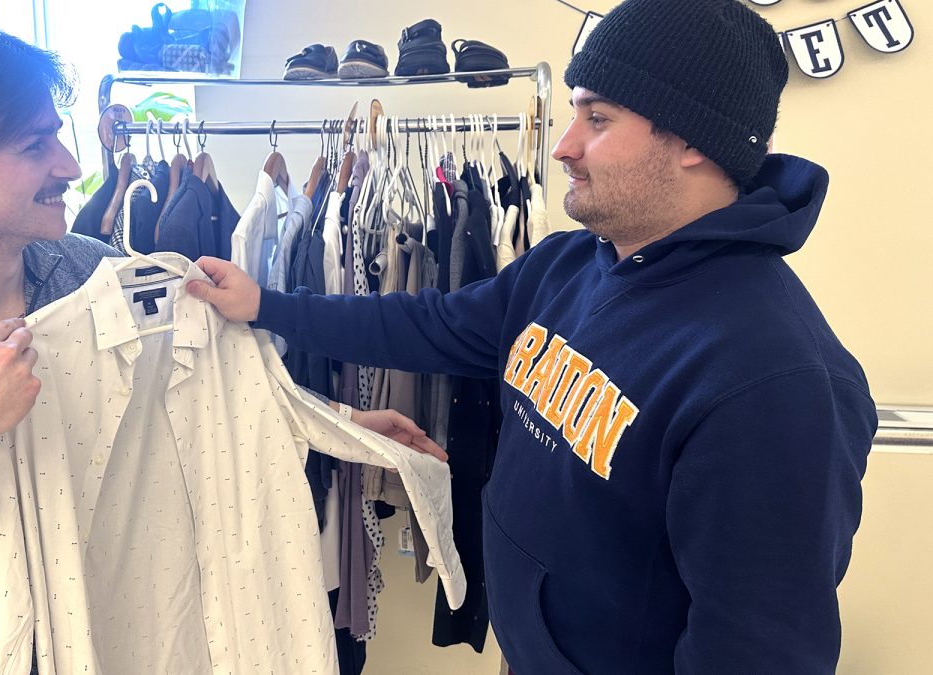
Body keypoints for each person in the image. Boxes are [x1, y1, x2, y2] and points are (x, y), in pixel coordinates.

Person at [188, 0, 878, 672]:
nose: (564, 146)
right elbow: (428, 324)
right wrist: (266, 304)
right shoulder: (572, 262)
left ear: (694, 139)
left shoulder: (776, 380)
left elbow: (757, 651)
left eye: (598, 119)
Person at [0, 18, 440, 674]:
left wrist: (333, 421)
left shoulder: (90, 272)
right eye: (33, 145)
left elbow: (199, 395)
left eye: (59, 136)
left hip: (135, 645)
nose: (71, 164)